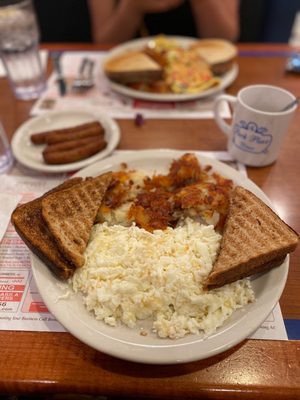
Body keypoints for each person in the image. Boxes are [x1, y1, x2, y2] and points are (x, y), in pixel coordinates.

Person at [88, 0, 240, 44]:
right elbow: (104, 43)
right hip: (128, 75)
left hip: (201, 73)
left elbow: (225, 38)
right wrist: (132, 7)